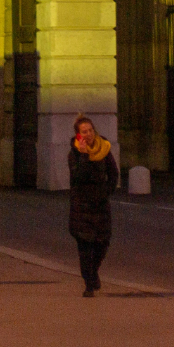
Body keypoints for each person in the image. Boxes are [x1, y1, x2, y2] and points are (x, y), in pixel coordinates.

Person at [69, 114, 119, 297]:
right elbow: (76, 177)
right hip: (81, 207)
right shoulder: (74, 153)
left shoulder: (104, 149)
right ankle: (89, 284)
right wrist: (83, 155)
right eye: (84, 132)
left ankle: (93, 273)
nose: (88, 134)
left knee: (102, 243)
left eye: (90, 130)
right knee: (85, 248)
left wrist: (106, 192)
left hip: (101, 205)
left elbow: (113, 174)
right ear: (78, 135)